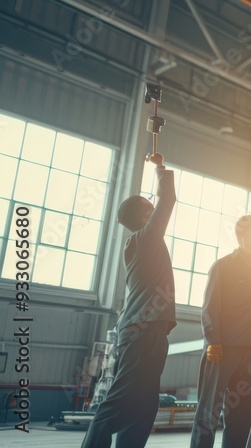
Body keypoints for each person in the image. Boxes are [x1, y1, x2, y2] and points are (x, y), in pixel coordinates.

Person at [82, 153, 175, 448]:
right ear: (146, 216)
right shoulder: (144, 240)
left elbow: (157, 202)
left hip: (149, 331)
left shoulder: (141, 243)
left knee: (143, 409)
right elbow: (168, 200)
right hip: (142, 331)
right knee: (120, 403)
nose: (155, 208)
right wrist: (160, 168)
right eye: (150, 207)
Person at [190, 216, 251, 448]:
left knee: (242, 413)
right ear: (243, 237)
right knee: (209, 411)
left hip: (250, 351)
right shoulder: (223, 266)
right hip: (222, 349)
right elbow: (210, 307)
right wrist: (213, 341)